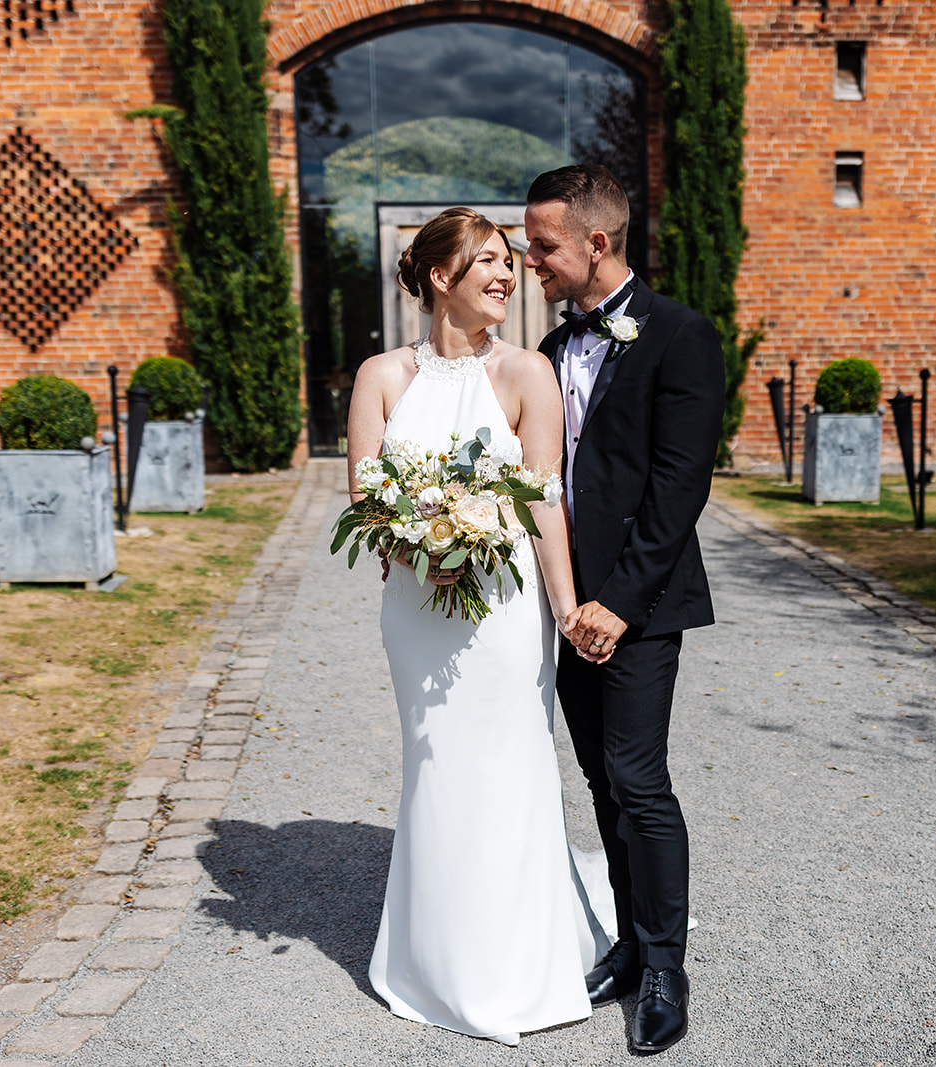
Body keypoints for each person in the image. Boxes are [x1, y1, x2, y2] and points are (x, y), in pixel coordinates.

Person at [344, 207, 598, 1046]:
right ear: (439, 275)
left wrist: (564, 608)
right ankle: (433, 957)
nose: (507, 273)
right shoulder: (381, 375)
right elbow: (366, 497)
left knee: (511, 761)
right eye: (487, 260)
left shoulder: (528, 374)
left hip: (503, 609)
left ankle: (521, 960)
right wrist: (423, 552)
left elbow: (545, 503)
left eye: (510, 261)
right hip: (419, 608)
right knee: (437, 761)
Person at [525, 163, 725, 1054]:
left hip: (638, 605)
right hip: (568, 608)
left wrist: (619, 601)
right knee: (602, 782)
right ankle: (631, 949)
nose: (532, 261)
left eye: (543, 246)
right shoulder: (549, 350)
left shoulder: (681, 335)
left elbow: (681, 486)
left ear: (595, 243)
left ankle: (669, 970)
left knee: (641, 781)